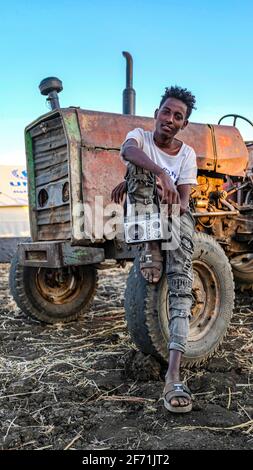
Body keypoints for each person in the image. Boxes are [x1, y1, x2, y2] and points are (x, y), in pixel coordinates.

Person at [111, 86, 197, 413]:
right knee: (137, 169)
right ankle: (149, 247)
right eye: (167, 112)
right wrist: (161, 172)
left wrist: (173, 213)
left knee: (181, 285)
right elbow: (128, 153)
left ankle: (174, 374)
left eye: (178, 117)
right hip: (145, 217)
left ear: (183, 124)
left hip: (173, 215)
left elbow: (185, 200)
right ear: (156, 113)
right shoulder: (140, 138)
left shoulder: (187, 154)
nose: (171, 119)